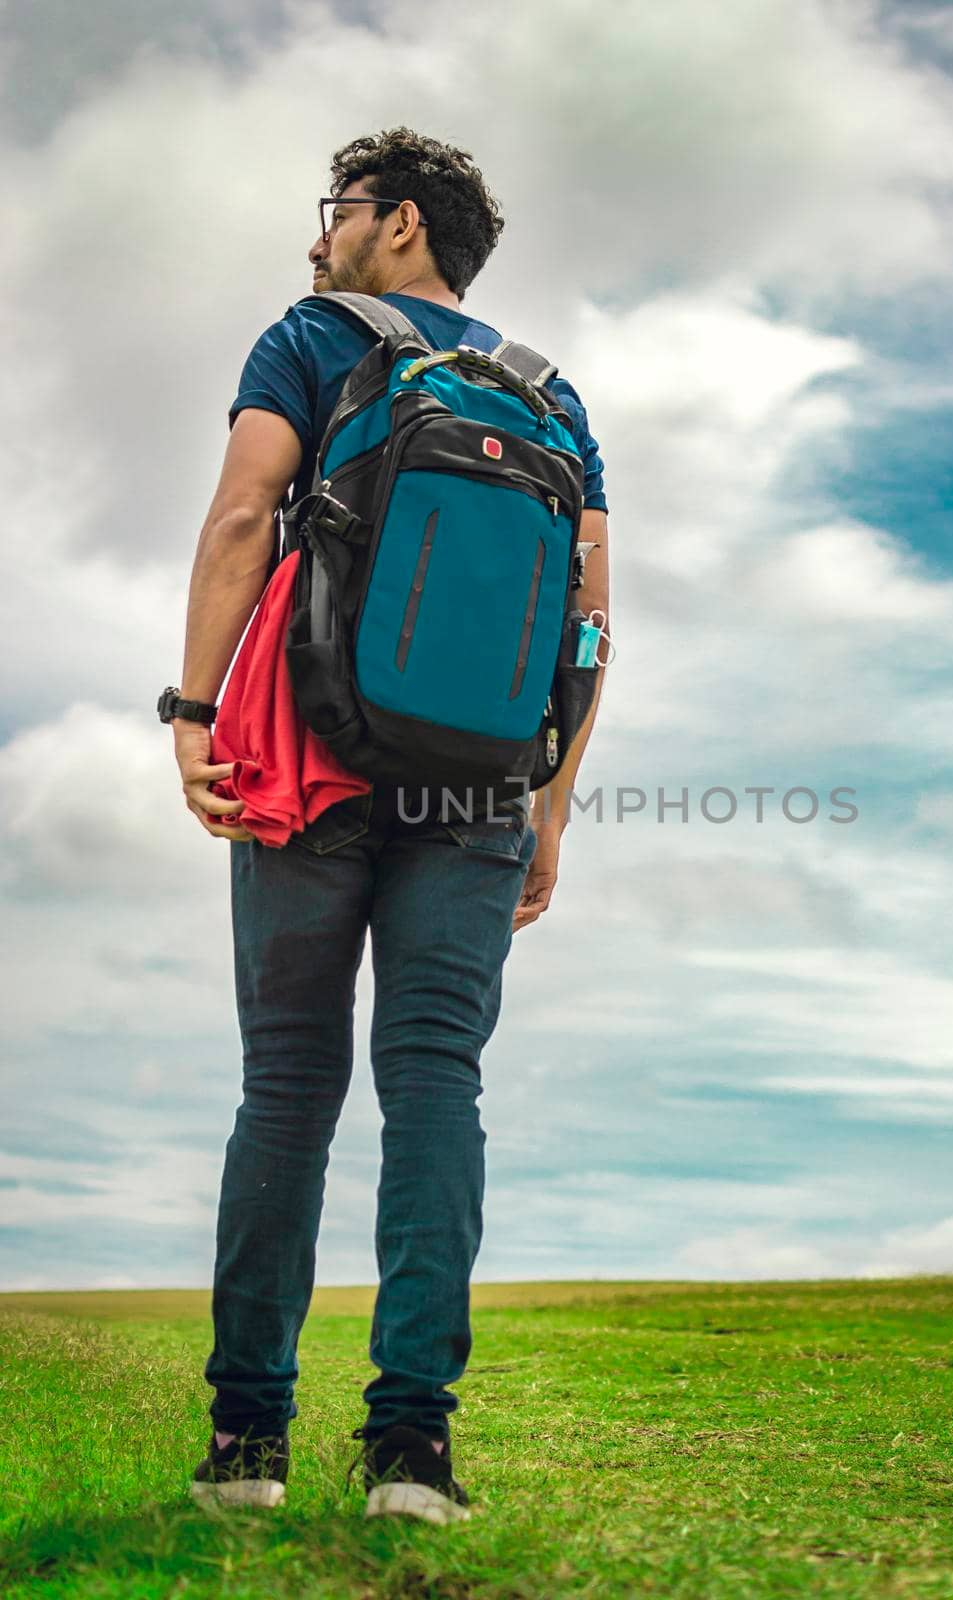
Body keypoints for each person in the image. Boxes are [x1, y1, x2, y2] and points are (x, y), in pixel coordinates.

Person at [168, 129, 610, 1520]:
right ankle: (412, 1453)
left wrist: (191, 713)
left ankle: (249, 1452)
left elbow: (245, 514)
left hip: (314, 763)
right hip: (479, 784)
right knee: (437, 1086)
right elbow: (591, 627)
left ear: (398, 225)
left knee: (288, 1090)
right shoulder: (554, 397)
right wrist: (549, 812)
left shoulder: (310, 338)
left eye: (338, 212)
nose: (318, 238)